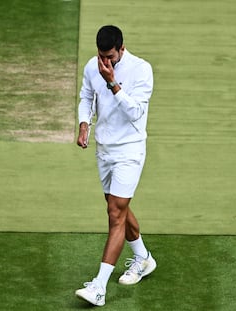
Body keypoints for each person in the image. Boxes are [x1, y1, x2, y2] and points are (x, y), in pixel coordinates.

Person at [75, 25, 156, 307]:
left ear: (122, 49)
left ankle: (99, 286)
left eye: (110, 57)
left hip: (130, 150)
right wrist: (84, 123)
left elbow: (135, 112)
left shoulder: (142, 69)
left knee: (114, 212)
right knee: (118, 207)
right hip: (104, 149)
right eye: (101, 56)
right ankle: (144, 258)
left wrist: (112, 82)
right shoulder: (91, 66)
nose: (105, 62)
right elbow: (86, 97)